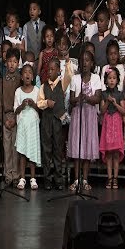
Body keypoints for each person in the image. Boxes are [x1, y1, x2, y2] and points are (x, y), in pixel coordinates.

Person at [68, 50, 101, 191]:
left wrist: (87, 98)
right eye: (82, 60)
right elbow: (71, 99)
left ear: (92, 63)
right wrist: (78, 98)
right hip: (78, 115)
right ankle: (76, 179)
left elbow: (98, 98)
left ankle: (85, 179)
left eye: (87, 60)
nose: (85, 63)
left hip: (90, 115)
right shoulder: (75, 79)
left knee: (87, 147)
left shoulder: (96, 78)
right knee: (77, 146)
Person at [38, 57, 72, 190]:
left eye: (53, 69)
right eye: (48, 70)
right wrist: (47, 102)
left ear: (58, 71)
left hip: (57, 120)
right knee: (47, 149)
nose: (50, 72)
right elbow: (39, 102)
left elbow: (69, 75)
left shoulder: (62, 84)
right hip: (46, 120)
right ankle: (47, 179)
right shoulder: (43, 86)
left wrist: (68, 63)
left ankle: (59, 179)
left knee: (58, 149)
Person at [0, 48, 21, 186]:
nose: (11, 64)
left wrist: (16, 119)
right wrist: (3, 119)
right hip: (6, 117)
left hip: (17, 116)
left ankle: (15, 174)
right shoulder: (3, 80)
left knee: (15, 146)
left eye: (14, 62)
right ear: (5, 63)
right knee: (7, 147)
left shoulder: (20, 79)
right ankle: (7, 174)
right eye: (9, 61)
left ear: (18, 63)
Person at [14, 64, 41, 190]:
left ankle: (33, 178)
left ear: (33, 76)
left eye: (30, 72)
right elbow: (16, 110)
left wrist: (33, 104)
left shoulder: (36, 90)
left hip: (33, 125)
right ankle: (22, 178)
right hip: (23, 125)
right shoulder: (18, 91)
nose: (27, 74)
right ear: (21, 76)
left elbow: (40, 109)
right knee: (23, 152)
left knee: (32, 151)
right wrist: (22, 106)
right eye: (25, 72)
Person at [100, 66, 125, 189]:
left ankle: (115, 178)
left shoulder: (120, 94)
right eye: (109, 78)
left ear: (117, 80)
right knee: (109, 153)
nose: (111, 80)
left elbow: (124, 111)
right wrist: (107, 102)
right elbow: (101, 110)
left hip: (116, 123)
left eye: (114, 78)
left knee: (116, 153)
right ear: (106, 80)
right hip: (107, 123)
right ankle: (109, 178)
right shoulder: (103, 94)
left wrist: (115, 103)